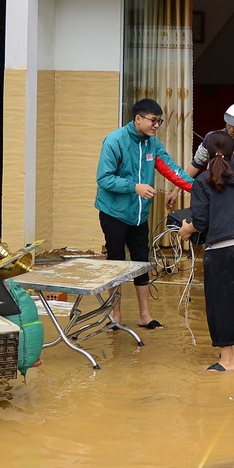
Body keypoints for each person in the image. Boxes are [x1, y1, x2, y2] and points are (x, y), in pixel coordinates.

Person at [96, 98, 194, 330]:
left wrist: (200, 189)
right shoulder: (115, 141)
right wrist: (134, 187)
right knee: (116, 262)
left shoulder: (152, 144)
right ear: (138, 118)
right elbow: (103, 178)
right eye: (153, 120)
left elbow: (173, 171)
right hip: (114, 213)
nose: (156, 125)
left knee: (141, 262)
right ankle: (115, 316)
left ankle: (145, 315)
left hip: (139, 215)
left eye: (159, 121)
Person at [166, 102, 234, 318]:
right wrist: (176, 190)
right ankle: (224, 307)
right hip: (215, 201)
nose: (231, 128)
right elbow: (195, 164)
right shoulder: (212, 138)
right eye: (229, 123)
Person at [178, 130, 234, 372]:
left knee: (222, 303)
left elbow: (201, 222)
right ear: (233, 152)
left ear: (207, 154)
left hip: (223, 249)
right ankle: (232, 356)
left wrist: (186, 229)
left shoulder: (202, 181)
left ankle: (226, 362)